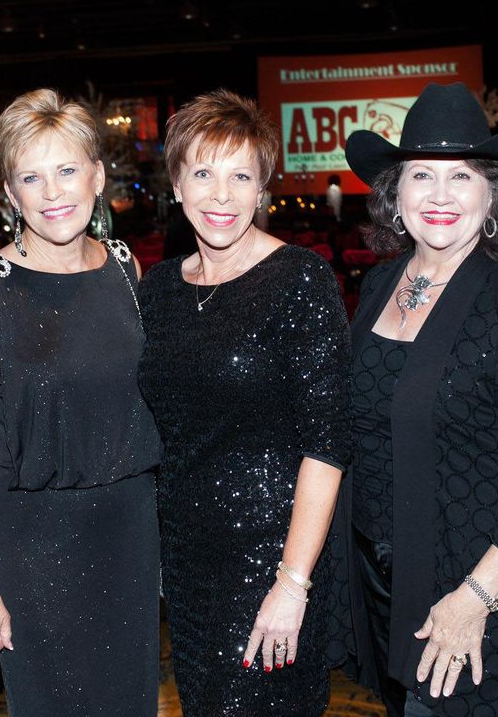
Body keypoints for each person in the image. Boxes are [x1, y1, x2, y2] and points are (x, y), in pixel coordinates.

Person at [337, 82, 498, 716]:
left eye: (462, 177)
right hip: (390, 579)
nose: (441, 196)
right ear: (395, 196)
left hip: (481, 589)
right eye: (421, 175)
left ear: (494, 198)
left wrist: (474, 597)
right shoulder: (379, 285)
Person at [0, 89, 162, 716]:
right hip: (30, 544)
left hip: (127, 535)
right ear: (9, 193)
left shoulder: (126, 269)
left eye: (67, 170)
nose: (53, 191)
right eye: (31, 177)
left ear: (97, 177)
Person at [137, 89, 351, 716]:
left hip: (273, 559)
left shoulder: (300, 279)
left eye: (241, 176)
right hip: (186, 559)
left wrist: (292, 584)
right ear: (177, 185)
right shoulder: (159, 291)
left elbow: (328, 443)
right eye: (202, 173)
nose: (221, 196)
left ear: (264, 189)